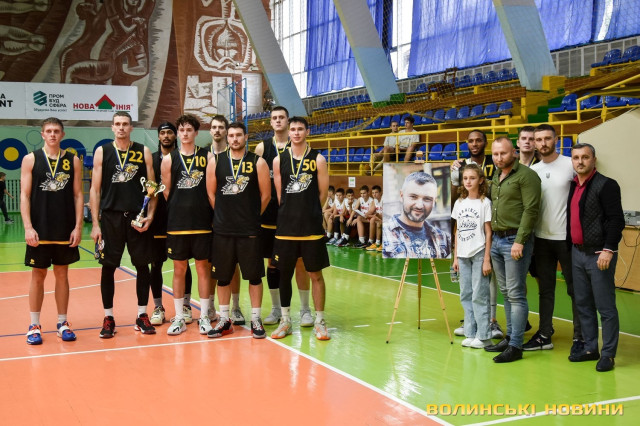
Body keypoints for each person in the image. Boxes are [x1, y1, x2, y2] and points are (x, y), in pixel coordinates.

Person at [90, 111, 157, 338]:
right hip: (111, 218)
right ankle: (108, 318)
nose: (121, 127)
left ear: (131, 128)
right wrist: (95, 224)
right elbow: (95, 189)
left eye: (125, 124)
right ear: (112, 127)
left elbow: (152, 188)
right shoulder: (103, 151)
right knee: (108, 266)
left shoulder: (143, 151)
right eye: (117, 124)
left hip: (137, 217)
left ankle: (142, 315)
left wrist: (150, 216)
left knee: (142, 265)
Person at [20, 117, 83, 344]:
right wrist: (28, 227)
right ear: (42, 134)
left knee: (62, 274)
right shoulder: (31, 159)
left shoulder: (72, 160)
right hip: (39, 228)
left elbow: (78, 195)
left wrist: (78, 226)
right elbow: (25, 195)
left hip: (64, 228)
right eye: (49, 131)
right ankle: (34, 325)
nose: (53, 134)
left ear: (62, 134)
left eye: (56, 131)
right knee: (38, 275)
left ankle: (63, 323)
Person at [206, 122, 270, 339]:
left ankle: (256, 319)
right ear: (227, 137)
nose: (234, 139)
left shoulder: (258, 162)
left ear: (246, 137)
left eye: (238, 135)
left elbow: (266, 195)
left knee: (254, 277)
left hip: (249, 230)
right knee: (223, 277)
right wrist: (223, 215)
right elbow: (211, 193)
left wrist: (252, 216)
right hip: (223, 230)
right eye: (231, 135)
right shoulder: (216, 161)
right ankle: (224, 319)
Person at [271, 116, 331, 341]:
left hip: (311, 227)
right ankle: (286, 320)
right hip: (286, 227)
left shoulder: (318, 159)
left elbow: (322, 194)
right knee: (284, 274)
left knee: (315, 274)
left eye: (300, 129)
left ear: (307, 132)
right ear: (288, 132)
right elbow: (280, 195)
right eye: (293, 129)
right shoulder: (279, 159)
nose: (296, 133)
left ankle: (320, 321)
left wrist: (310, 212)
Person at [253, 106, 314, 327]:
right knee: (272, 263)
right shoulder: (262, 148)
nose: (278, 121)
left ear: (288, 121)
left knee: (299, 263)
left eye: (282, 117)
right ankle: (276, 309)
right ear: (270, 122)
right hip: (269, 216)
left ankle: (305, 310)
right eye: (274, 118)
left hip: (293, 216)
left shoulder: (299, 146)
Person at [525, 124, 582, 353]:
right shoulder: (533, 170)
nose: (543, 143)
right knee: (545, 289)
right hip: (541, 239)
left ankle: (580, 337)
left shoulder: (570, 164)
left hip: (566, 239)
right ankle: (544, 334)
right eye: (538, 139)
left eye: (547, 138)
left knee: (575, 289)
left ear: (556, 139)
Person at [567, 143, 624, 372]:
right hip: (577, 253)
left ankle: (608, 355)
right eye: (576, 157)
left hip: (599, 254)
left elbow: (617, 219)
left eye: (585, 157)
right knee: (583, 304)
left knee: (605, 307)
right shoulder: (573, 185)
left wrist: (609, 249)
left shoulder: (607, 185)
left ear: (594, 160)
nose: (580, 161)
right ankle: (591, 348)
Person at [485, 137, 540, 363]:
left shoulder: (527, 176)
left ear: (514, 153)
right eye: (495, 154)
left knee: (516, 294)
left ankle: (516, 345)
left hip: (514, 241)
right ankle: (510, 338)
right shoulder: (496, 176)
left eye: (503, 153)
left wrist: (520, 241)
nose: (499, 158)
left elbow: (531, 209)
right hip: (497, 240)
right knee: (506, 292)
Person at [161, 114, 213, 336]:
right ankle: (179, 318)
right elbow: (166, 191)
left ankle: (204, 317)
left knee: (203, 269)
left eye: (189, 130)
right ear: (178, 133)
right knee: (179, 269)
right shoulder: (168, 159)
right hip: (178, 223)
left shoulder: (207, 157)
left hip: (202, 223)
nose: (185, 133)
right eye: (181, 130)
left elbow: (211, 190)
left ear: (196, 133)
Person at [450, 130, 503, 339]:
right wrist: (454, 174)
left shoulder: (494, 161)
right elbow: (455, 192)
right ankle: (471, 324)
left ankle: (491, 322)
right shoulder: (460, 165)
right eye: (471, 141)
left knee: (487, 284)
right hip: (466, 239)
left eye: (478, 140)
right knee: (468, 289)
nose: (474, 144)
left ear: (485, 142)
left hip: (488, 229)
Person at [149, 122, 194, 326]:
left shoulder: (183, 157)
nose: (166, 136)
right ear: (158, 136)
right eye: (162, 133)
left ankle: (186, 305)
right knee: (156, 263)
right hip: (157, 219)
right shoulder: (151, 159)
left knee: (183, 263)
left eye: (169, 132)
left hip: (181, 218)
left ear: (175, 135)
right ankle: (158, 307)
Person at [451, 164, 492, 349]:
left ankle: (484, 336)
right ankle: (470, 332)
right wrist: (455, 257)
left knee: (479, 294)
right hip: (462, 254)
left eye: (472, 178)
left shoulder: (485, 203)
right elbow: (457, 230)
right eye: (465, 178)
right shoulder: (459, 203)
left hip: (479, 252)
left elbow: (488, 232)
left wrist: (487, 259)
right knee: (465, 294)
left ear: (481, 180)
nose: (468, 181)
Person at [209, 115, 242, 324]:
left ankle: (236, 307)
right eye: (214, 127)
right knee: (211, 264)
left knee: (234, 263)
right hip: (209, 217)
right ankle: (211, 306)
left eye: (221, 127)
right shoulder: (205, 156)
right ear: (210, 131)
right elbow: (209, 191)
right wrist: (218, 212)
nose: (217, 131)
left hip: (233, 220)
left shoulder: (240, 156)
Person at [382, 171, 451, 258]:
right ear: (401, 196)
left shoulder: (443, 238)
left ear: (434, 201)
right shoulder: (384, 234)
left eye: (427, 199)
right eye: (413, 197)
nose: (419, 205)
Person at [365, 185, 383, 251]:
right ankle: (373, 242)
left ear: (380, 192)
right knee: (373, 220)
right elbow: (371, 211)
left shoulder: (384, 199)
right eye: (373, 193)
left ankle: (383, 244)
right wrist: (367, 214)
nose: (374, 194)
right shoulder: (375, 200)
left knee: (375, 220)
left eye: (376, 192)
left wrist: (376, 215)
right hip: (380, 218)